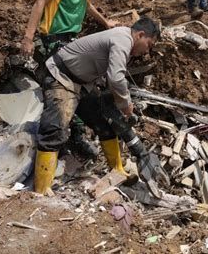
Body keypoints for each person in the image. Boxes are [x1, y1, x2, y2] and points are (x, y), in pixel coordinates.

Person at [34, 17, 169, 195]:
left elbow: (109, 77)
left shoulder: (123, 40)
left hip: (82, 83)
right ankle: (41, 191)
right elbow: (116, 78)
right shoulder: (123, 40)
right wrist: (126, 104)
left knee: (103, 124)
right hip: (62, 77)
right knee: (55, 130)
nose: (147, 51)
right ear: (141, 35)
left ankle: (118, 171)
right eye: (149, 44)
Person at [21, 0, 119, 159]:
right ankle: (69, 138)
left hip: (69, 42)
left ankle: (72, 136)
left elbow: (88, 7)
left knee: (79, 88)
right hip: (52, 40)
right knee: (66, 89)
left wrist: (105, 22)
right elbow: (40, 3)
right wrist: (28, 38)